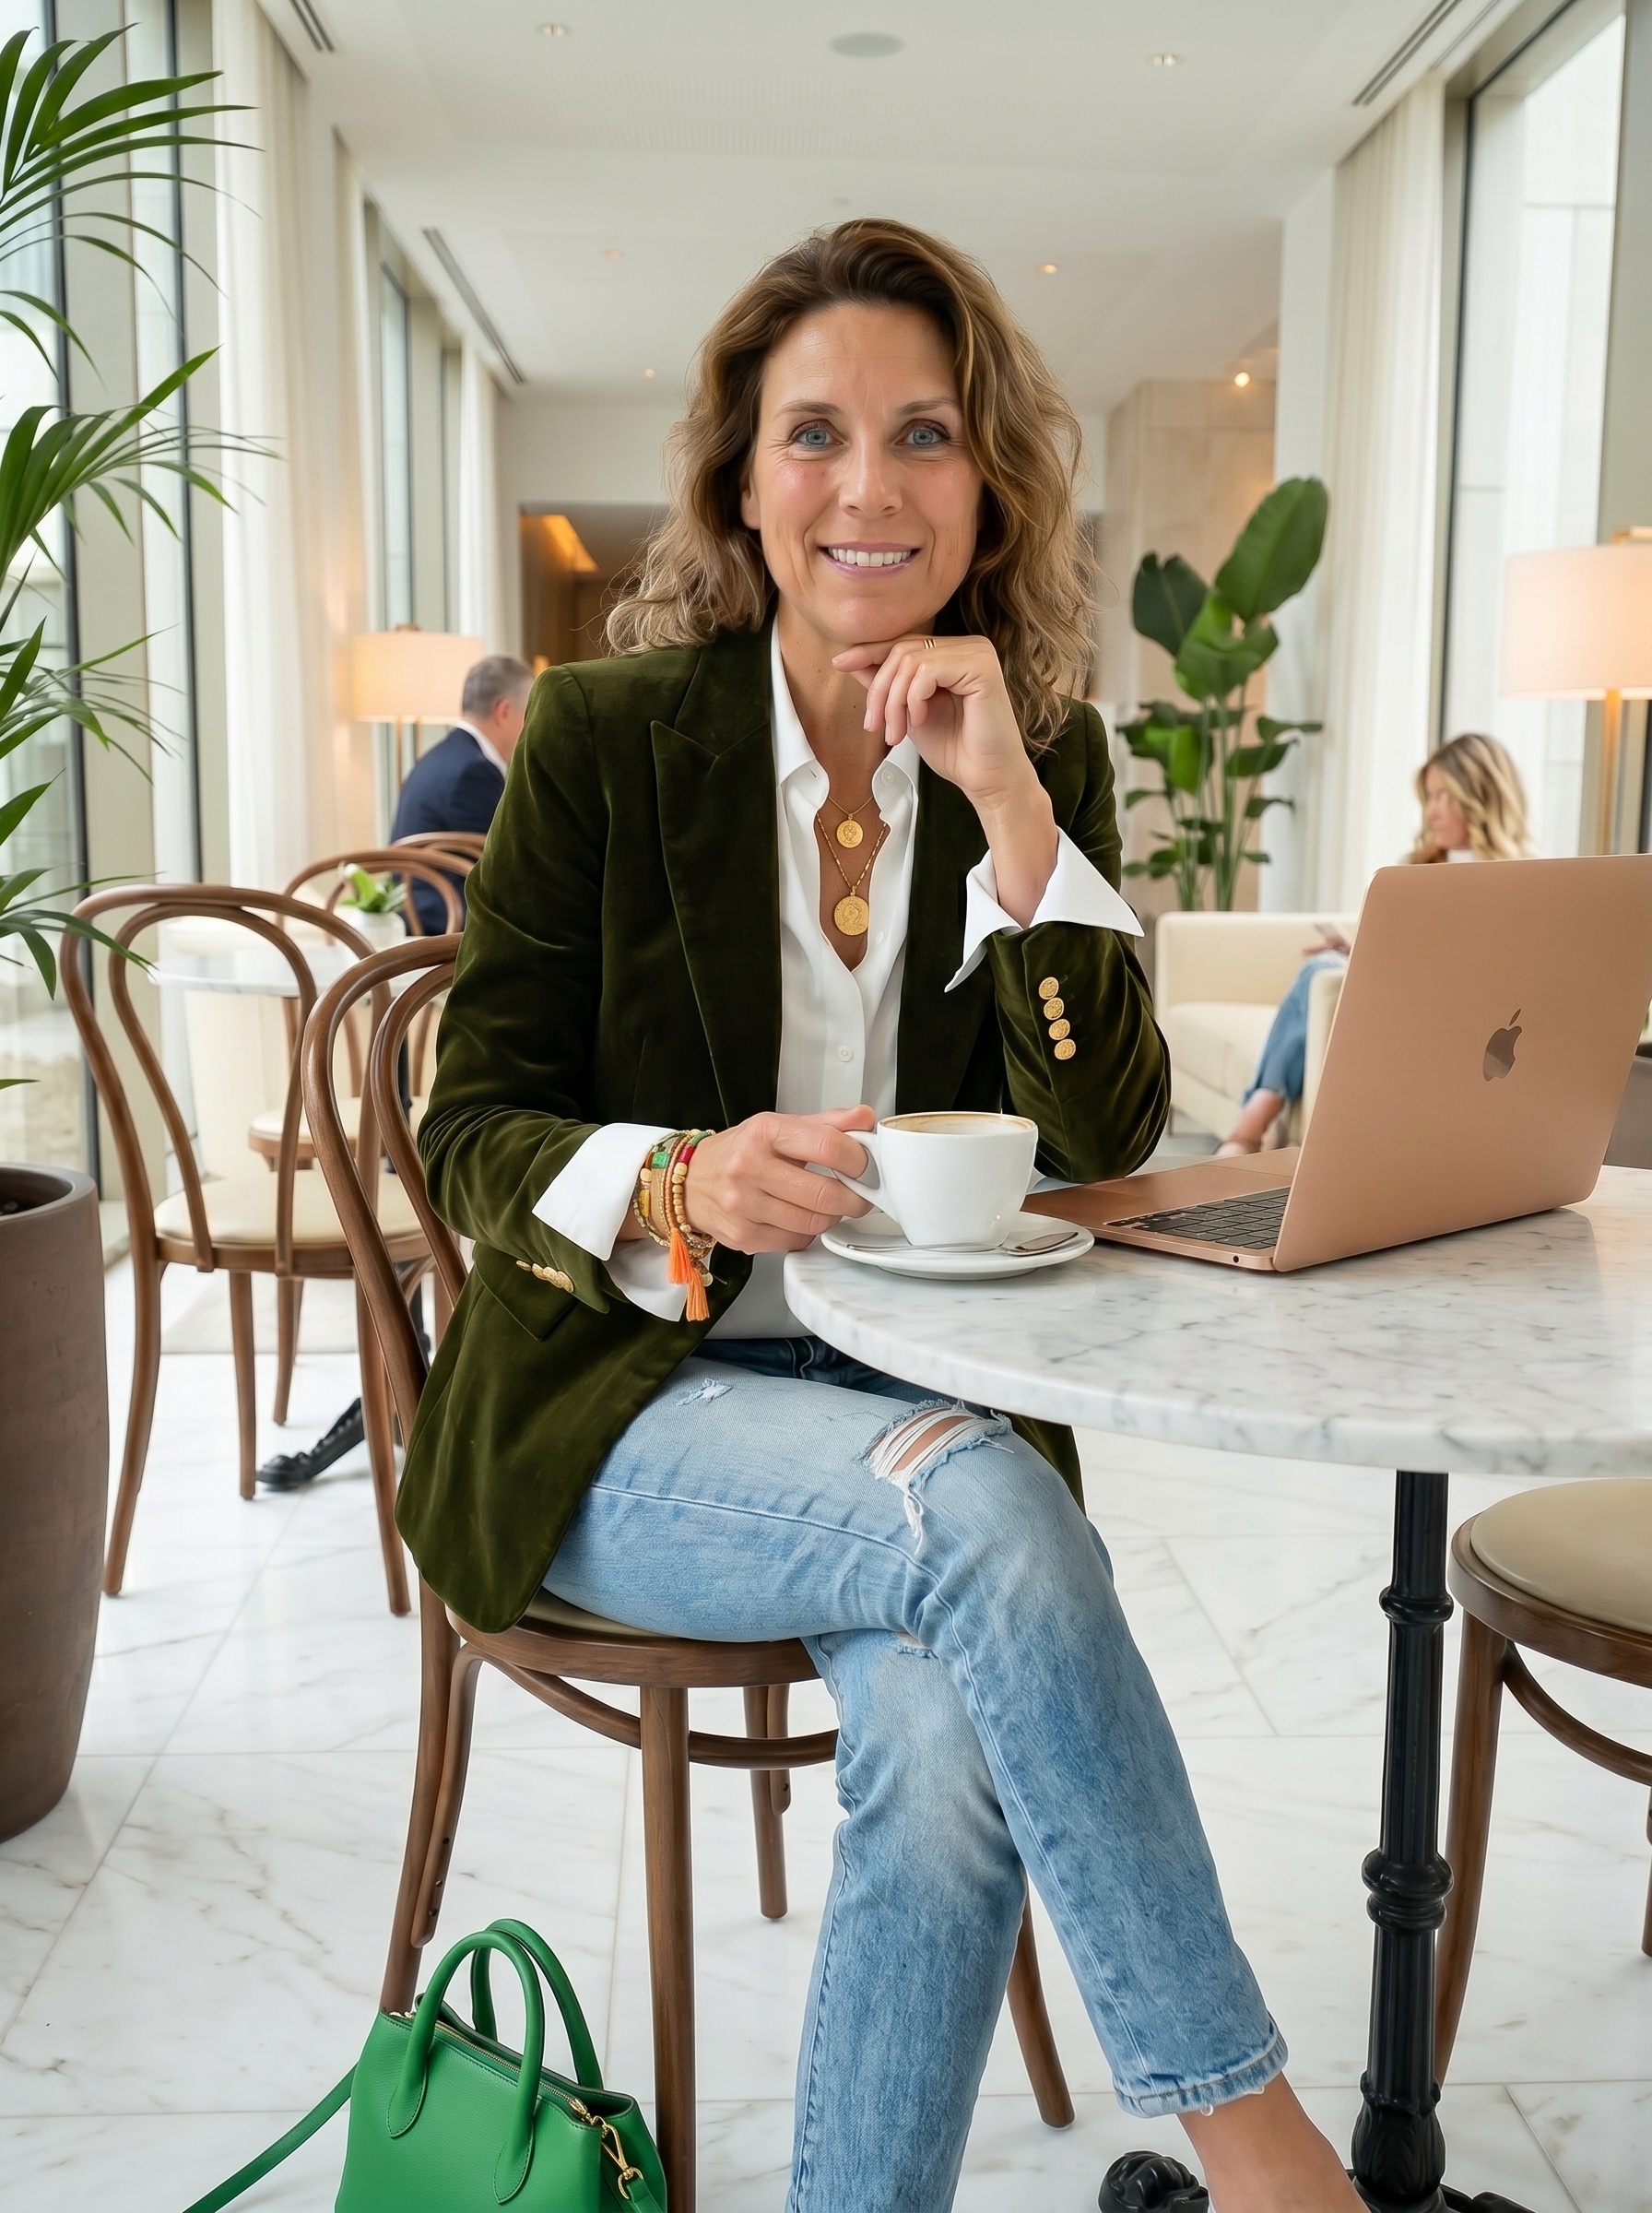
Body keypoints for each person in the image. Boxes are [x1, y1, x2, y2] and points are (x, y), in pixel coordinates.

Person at [399, 219, 1363, 2213]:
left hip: (904, 1409)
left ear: (986, 485)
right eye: (813, 435)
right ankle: (1262, 2151)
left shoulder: (1043, 750)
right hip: (619, 1414)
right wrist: (674, 1177)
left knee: (937, 1773)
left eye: (923, 434)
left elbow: (1099, 1133)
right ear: (742, 487)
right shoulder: (603, 740)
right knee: (991, 1512)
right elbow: (468, 1125)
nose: (869, 487)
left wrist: (1011, 809)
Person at [257, 652, 532, 1489]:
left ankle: (423, 1370)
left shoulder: (433, 765)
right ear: (507, 712)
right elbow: (518, 892)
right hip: (430, 1008)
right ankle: (434, 1378)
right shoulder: (474, 780)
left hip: (404, 1010)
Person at [1218, 730, 1535, 1156]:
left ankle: (1251, 1124)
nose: (1432, 811)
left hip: (1441, 1003)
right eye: (1430, 797)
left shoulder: (1520, 881)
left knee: (1315, 973)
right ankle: (1258, 1116)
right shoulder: (1415, 871)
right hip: (1400, 985)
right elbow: (1404, 950)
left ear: (1479, 796)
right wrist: (1358, 950)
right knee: (1319, 970)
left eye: (1444, 796)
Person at [389, 652, 533, 930]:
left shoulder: (433, 758)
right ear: (504, 711)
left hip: (411, 913)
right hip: (445, 922)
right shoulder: (474, 771)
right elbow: (504, 867)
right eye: (528, 714)